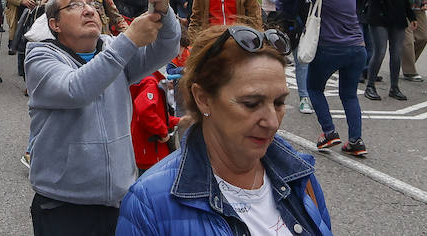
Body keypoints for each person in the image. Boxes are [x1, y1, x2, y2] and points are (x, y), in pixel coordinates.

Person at [116, 24, 334, 236]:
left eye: (279, 102)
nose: (272, 122)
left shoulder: (300, 176)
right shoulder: (150, 204)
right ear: (203, 99)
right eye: (251, 103)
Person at [25, 0, 180, 236]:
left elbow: (166, 48)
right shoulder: (40, 57)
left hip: (119, 200)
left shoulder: (111, 48)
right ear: (55, 24)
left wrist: (165, 10)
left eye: (92, 4)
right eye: (75, 5)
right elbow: (76, 89)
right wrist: (129, 40)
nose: (88, 9)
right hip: (63, 205)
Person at [279, 0, 371, 157]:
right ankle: (356, 141)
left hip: (330, 48)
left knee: (314, 88)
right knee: (349, 95)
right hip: (357, 48)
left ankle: (329, 132)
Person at [364, 0, 412, 101]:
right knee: (380, 51)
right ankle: (370, 85)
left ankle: (394, 87)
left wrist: (410, 15)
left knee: (396, 53)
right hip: (379, 15)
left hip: (397, 15)